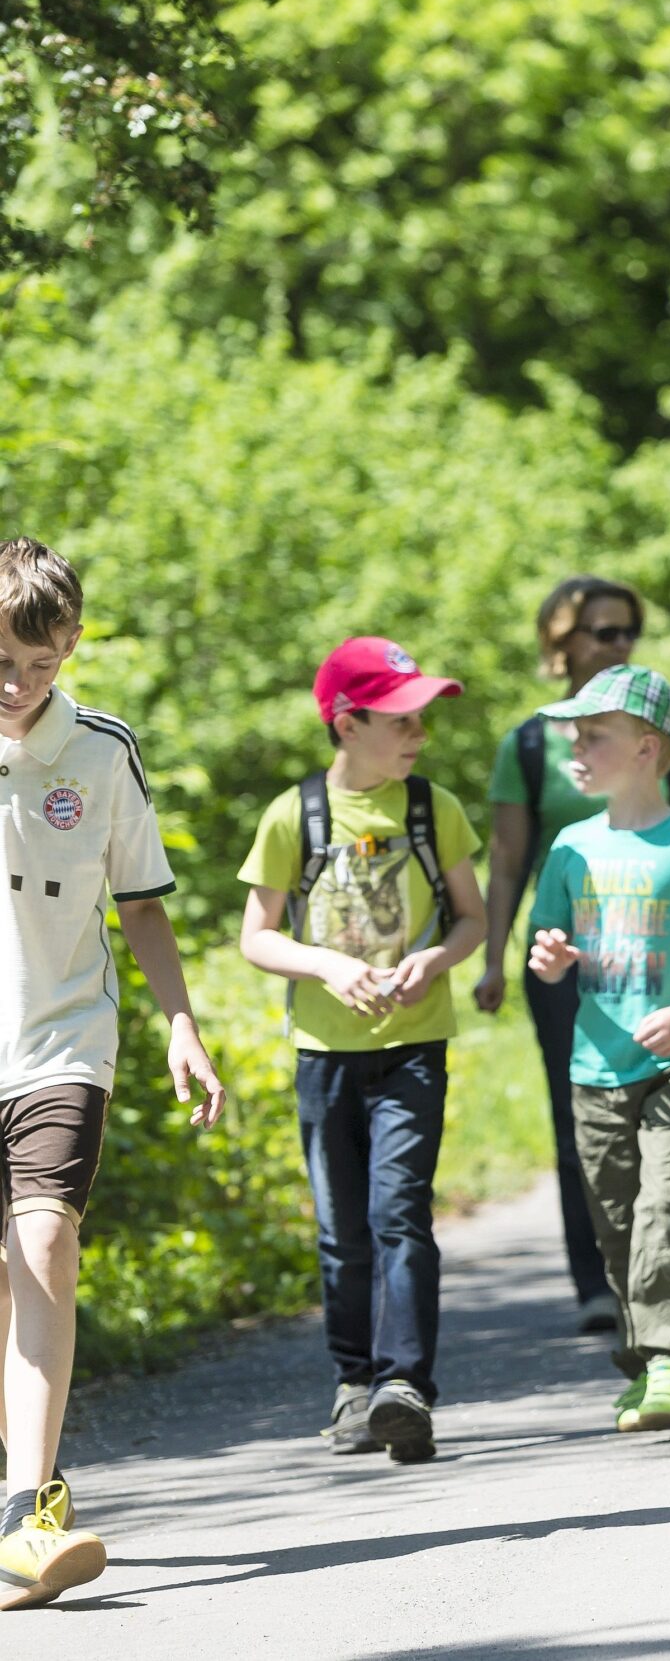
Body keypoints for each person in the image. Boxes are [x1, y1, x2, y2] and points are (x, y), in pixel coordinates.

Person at [0, 540, 225, 1610]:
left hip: (63, 1042)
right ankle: (22, 1474)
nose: (16, 684)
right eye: (0, 660)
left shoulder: (101, 753)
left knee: (43, 1241)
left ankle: (23, 1506)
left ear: (70, 646)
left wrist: (182, 1025)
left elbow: (142, 902)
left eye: (38, 664)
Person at [240, 636, 489, 1462]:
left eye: (423, 716)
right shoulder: (295, 815)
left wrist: (437, 958)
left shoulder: (433, 808)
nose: (420, 732)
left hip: (414, 1044)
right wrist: (327, 964)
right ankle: (354, 1384)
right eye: (402, 718)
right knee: (342, 1228)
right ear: (347, 725)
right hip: (325, 1050)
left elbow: (471, 917)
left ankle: (404, 1385)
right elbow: (259, 936)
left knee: (399, 1214)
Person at [526, 665, 670, 1432]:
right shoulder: (569, 847)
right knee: (617, 1221)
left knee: (664, 1203)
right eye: (573, 733)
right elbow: (549, 946)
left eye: (595, 735)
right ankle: (640, 1359)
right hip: (594, 1065)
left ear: (647, 749)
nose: (576, 746)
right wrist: (551, 957)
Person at [475, 576, 670, 1334]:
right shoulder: (532, 742)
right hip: (569, 964)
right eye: (602, 632)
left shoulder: (659, 728)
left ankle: (662, 1276)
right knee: (585, 1120)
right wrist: (490, 957)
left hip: (659, 953)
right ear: (561, 642)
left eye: (626, 632)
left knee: (663, 1109)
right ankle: (600, 1282)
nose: (617, 645)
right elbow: (509, 860)